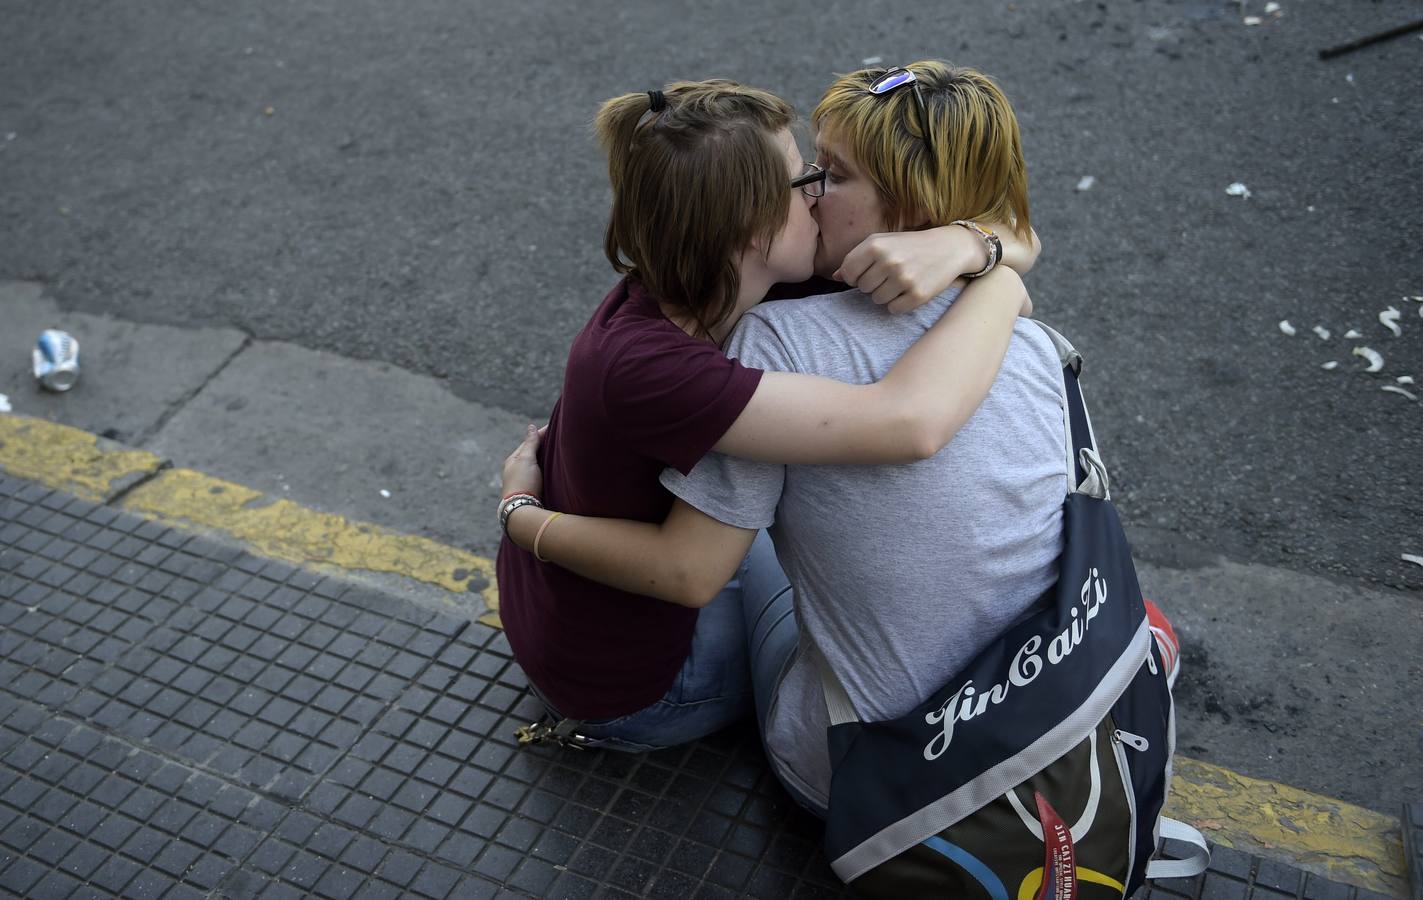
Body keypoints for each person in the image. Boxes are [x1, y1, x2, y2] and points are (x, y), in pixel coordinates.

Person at [501, 62, 1076, 813]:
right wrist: (520, 514)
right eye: (806, 178)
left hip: (602, 606)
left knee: (803, 520)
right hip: (638, 686)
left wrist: (973, 246)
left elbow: (1017, 234)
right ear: (751, 223)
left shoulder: (754, 279)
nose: (814, 193)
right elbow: (906, 425)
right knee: (816, 556)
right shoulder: (670, 363)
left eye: (825, 175)